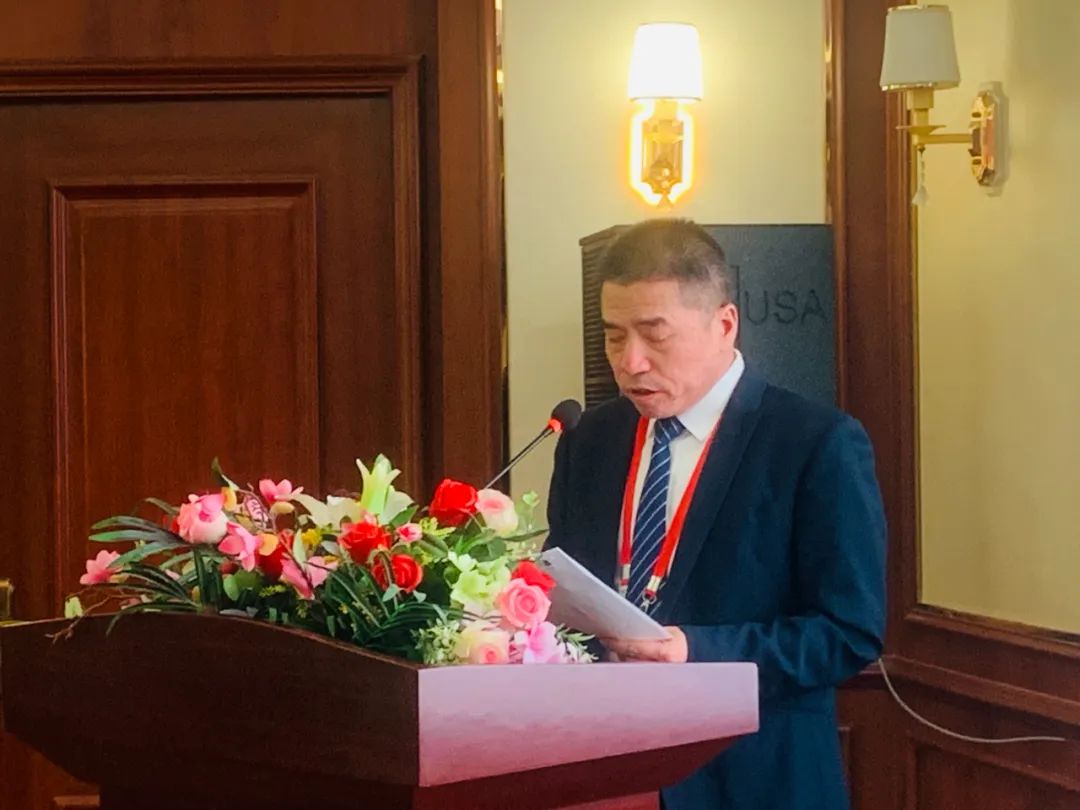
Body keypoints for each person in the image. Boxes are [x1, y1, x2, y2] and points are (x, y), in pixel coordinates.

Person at [545, 219, 886, 810]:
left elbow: (847, 632)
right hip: (606, 771)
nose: (631, 362)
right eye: (614, 336)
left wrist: (695, 652)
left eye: (655, 335)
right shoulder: (590, 437)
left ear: (724, 324)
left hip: (752, 778)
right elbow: (566, 591)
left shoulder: (814, 442)